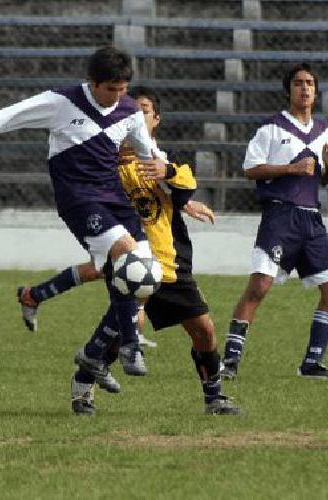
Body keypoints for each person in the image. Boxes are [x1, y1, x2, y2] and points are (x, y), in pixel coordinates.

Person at [15, 87, 241, 416]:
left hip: (168, 263)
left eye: (144, 109)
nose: (136, 114)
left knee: (203, 329)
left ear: (154, 120)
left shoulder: (156, 160)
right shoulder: (102, 166)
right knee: (127, 327)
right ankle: (83, 391)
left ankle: (215, 397)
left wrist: (175, 181)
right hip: (131, 261)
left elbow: (184, 183)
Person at [0, 45, 168, 384]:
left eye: (122, 90)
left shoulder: (130, 111)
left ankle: (93, 354)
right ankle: (130, 344)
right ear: (92, 82)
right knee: (125, 258)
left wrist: (162, 165)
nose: (116, 97)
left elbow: (147, 151)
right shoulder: (62, 102)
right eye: (110, 89)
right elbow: (7, 117)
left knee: (145, 279)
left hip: (115, 199)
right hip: (80, 200)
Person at [218, 62, 328, 381]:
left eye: (310, 83)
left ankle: (312, 363)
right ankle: (230, 361)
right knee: (259, 286)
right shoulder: (271, 128)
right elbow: (250, 169)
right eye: (298, 83)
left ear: (316, 92)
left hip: (311, 218)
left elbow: (323, 181)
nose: (304, 88)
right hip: (280, 216)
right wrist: (289, 168)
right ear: (288, 90)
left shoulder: (324, 130)